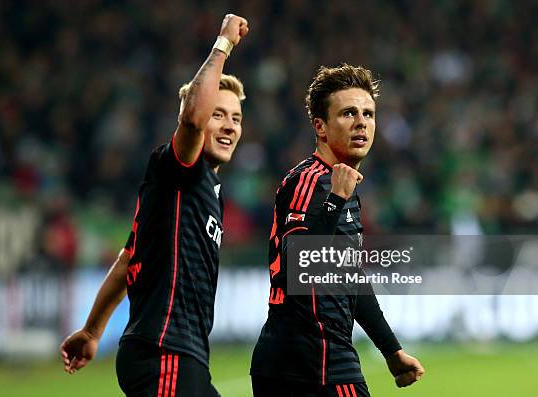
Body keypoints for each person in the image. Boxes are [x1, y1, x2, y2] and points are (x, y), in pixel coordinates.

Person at [60, 14, 249, 397]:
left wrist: (93, 331)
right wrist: (223, 43)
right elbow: (193, 120)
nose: (230, 126)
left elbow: (129, 259)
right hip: (165, 351)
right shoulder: (176, 167)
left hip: (182, 354)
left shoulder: (209, 189)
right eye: (219, 115)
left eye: (237, 118)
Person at [251, 64, 425, 396]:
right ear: (320, 126)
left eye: (368, 114)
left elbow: (349, 279)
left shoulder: (341, 186)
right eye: (348, 113)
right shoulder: (311, 180)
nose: (362, 122)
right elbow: (296, 265)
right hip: (313, 360)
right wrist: (335, 199)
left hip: (307, 358)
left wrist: (391, 350)